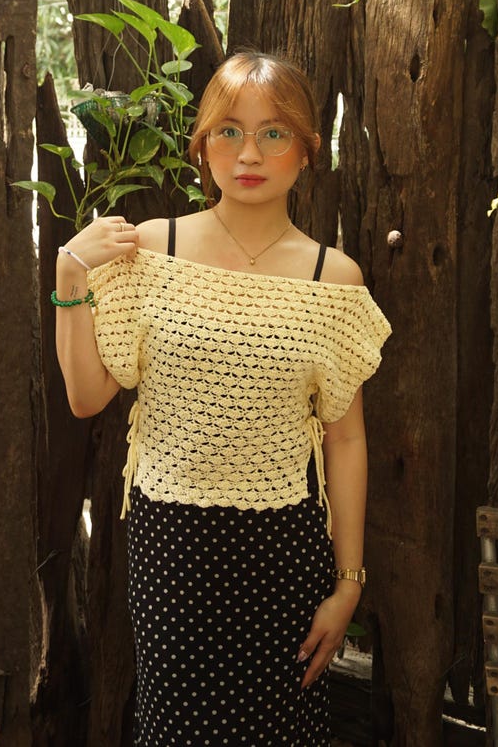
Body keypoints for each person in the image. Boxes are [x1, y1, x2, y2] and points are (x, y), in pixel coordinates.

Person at [53, 51, 391, 745]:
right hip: (171, 548)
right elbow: (86, 397)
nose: (249, 153)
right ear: (202, 146)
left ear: (307, 149)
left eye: (273, 133)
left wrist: (348, 583)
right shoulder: (152, 251)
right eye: (229, 131)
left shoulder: (335, 279)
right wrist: (70, 273)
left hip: (284, 555)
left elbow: (346, 437)